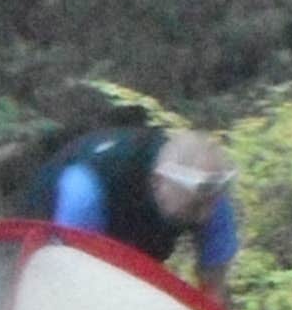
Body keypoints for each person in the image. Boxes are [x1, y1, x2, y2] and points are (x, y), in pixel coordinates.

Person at [28, 121, 238, 295]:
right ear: (158, 182)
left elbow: (214, 286)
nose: (204, 216)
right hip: (51, 236)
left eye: (211, 204)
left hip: (133, 239)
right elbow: (73, 281)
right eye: (194, 207)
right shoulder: (86, 190)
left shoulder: (208, 192)